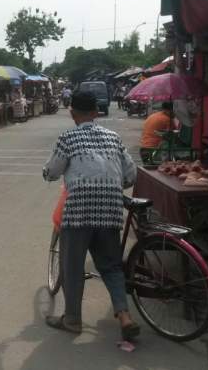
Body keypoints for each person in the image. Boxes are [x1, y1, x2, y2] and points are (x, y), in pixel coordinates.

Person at [43, 90, 139, 340]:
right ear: (96, 113)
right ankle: (125, 316)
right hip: (110, 209)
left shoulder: (68, 138)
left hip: (78, 213)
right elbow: (130, 175)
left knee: (72, 267)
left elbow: (53, 171)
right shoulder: (113, 137)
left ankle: (73, 320)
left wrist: (48, 173)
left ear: (72, 112)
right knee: (111, 266)